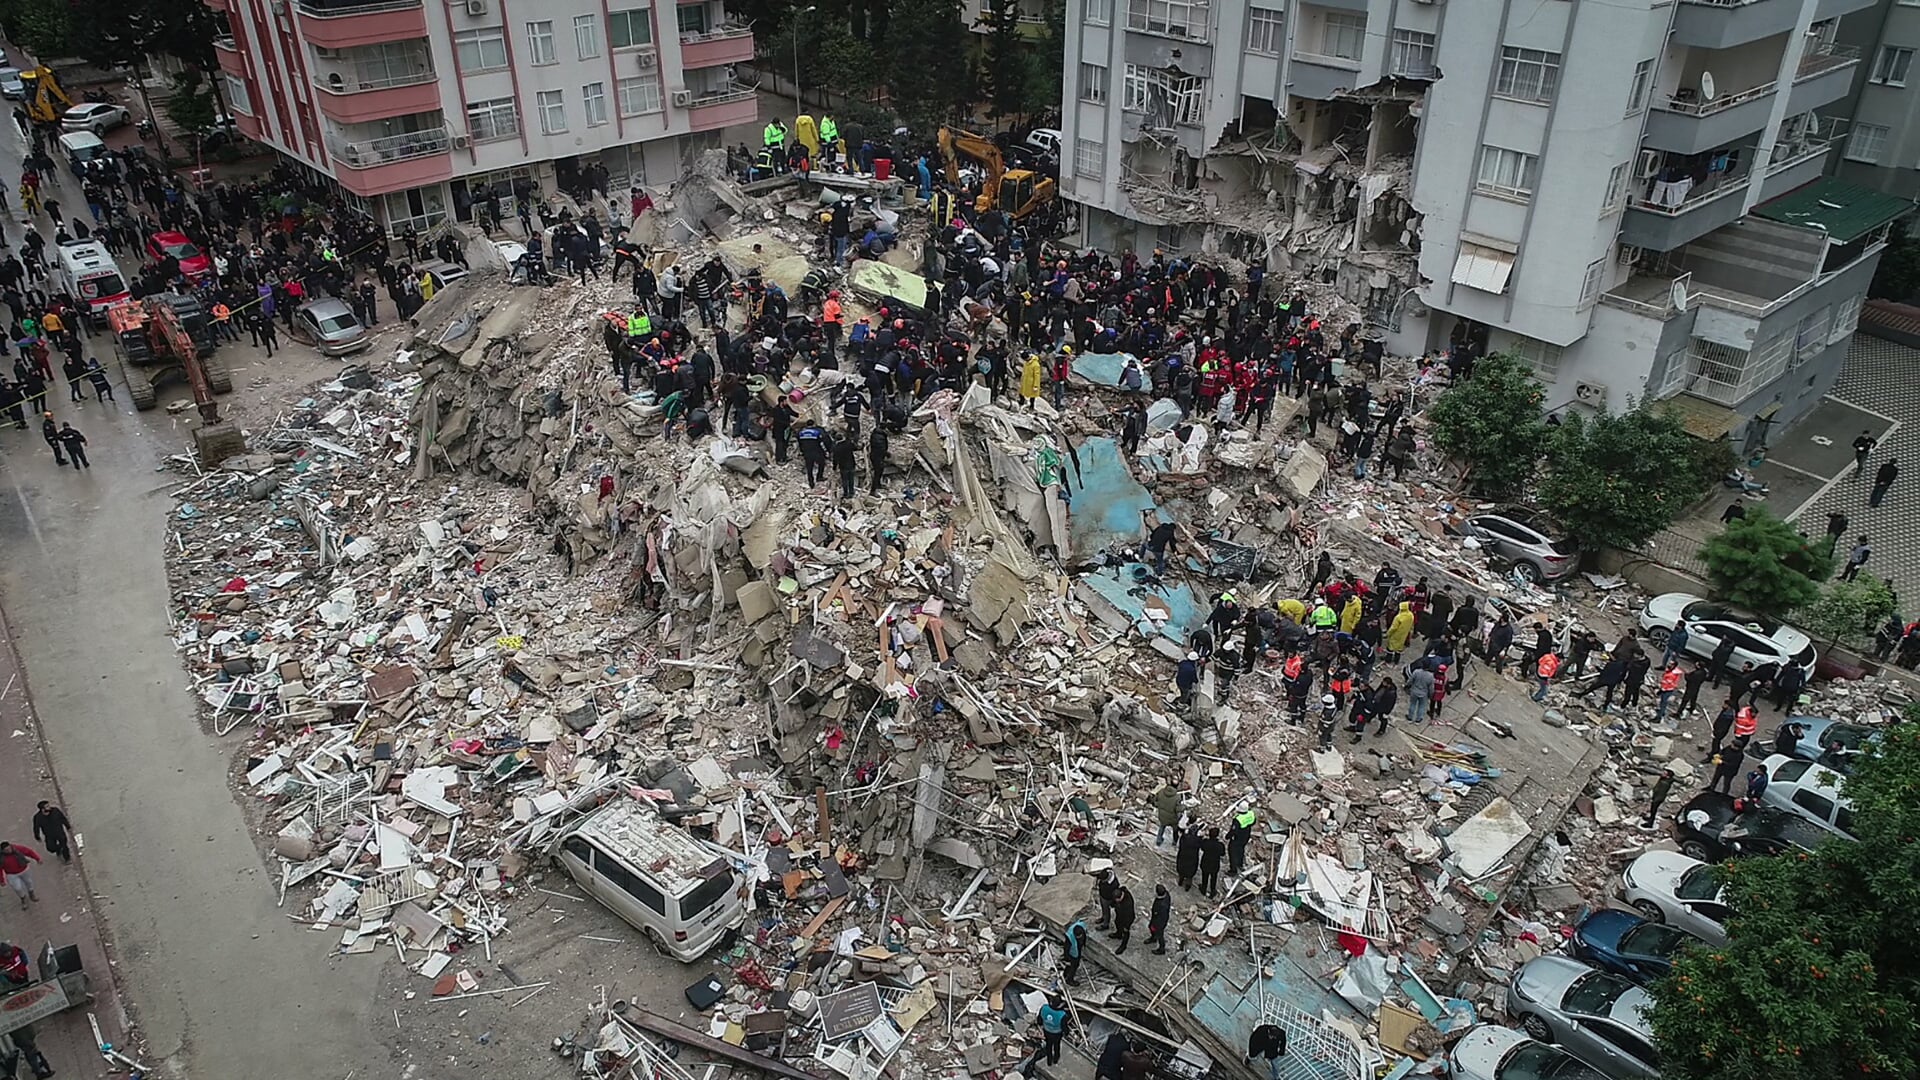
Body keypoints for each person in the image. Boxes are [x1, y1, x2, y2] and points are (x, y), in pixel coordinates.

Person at [0, 842, 40, 907]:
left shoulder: (17, 849)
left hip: (24, 870)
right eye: (6, 850)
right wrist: (1, 880)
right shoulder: (1, 857)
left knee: (29, 882)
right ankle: (23, 898)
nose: (9, 851)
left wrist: (37, 858)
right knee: (17, 888)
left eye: (9, 848)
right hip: (11, 874)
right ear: (3, 851)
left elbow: (29, 852)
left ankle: (31, 894)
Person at [1037, 996, 1068, 1065]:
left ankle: (1049, 1061)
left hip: (1047, 1031)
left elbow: (1039, 1019)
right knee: (1057, 1046)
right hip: (1057, 1033)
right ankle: (1055, 1059)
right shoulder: (1062, 1014)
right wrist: (1066, 1033)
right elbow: (1064, 1027)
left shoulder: (1044, 1008)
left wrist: (1041, 1025)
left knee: (1049, 1046)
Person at [1197, 827, 1225, 899]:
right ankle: (1212, 891)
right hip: (1215, 863)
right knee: (1214, 878)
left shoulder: (1206, 842)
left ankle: (1203, 888)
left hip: (1206, 861)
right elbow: (1222, 854)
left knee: (1205, 876)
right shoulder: (1220, 845)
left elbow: (1202, 848)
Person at [1109, 883, 1136, 954]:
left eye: (1117, 900)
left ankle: (1123, 946)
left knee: (1126, 932)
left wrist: (1127, 926)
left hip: (1127, 918)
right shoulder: (1120, 891)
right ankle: (1118, 934)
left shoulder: (1128, 903)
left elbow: (1130, 916)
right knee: (1117, 922)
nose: (1116, 901)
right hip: (1119, 914)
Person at [1061, 918, 1087, 984]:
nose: (1079, 937)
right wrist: (1067, 959)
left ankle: (1066, 974)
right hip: (1072, 952)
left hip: (1077, 948)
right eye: (1077, 937)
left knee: (1075, 964)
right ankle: (1069, 979)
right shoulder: (1069, 937)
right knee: (1073, 965)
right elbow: (1066, 948)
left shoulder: (1082, 926)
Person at [1147, 884, 1171, 955]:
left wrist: (1156, 924)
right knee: (1151, 927)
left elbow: (1161, 917)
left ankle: (1161, 948)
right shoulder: (1166, 895)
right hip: (1157, 918)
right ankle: (1153, 938)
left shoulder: (1162, 905)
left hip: (1159, 921)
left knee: (1159, 934)